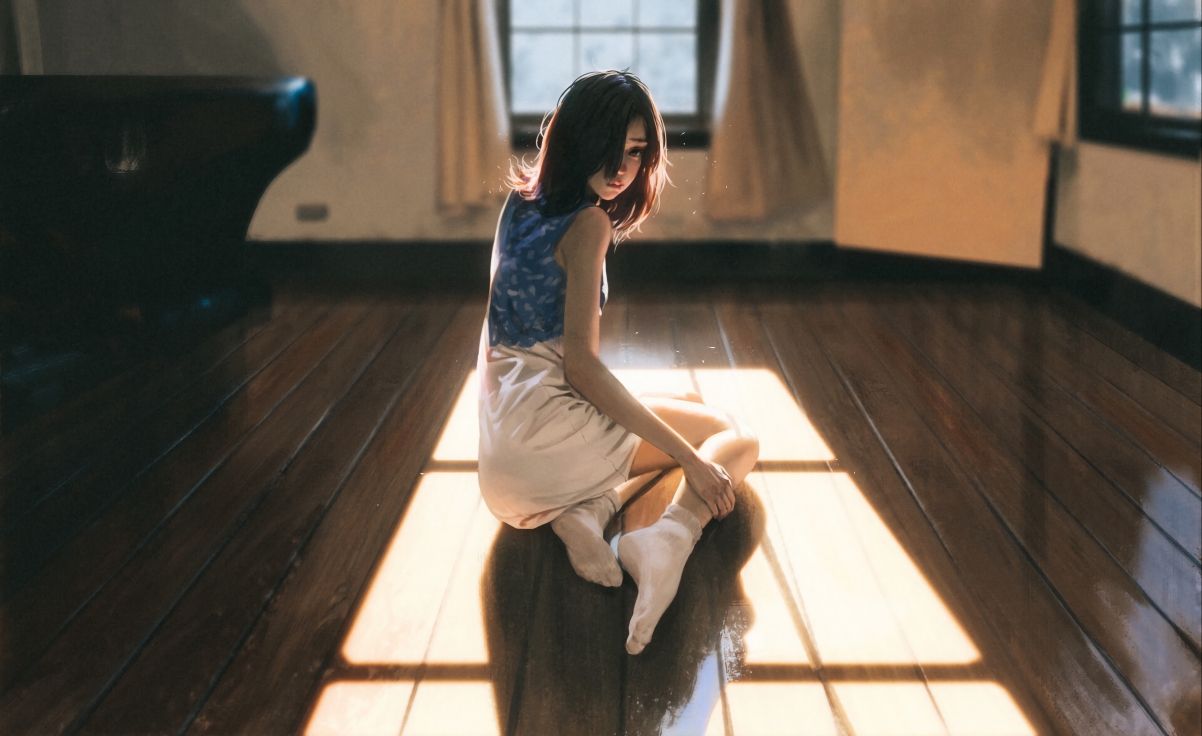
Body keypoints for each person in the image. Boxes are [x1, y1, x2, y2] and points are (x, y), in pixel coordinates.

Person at [477, 71, 759, 655]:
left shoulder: (518, 202)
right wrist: (690, 464)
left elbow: (526, 351)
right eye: (609, 148)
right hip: (544, 437)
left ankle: (577, 513)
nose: (622, 168)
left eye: (635, 152)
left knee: (689, 409)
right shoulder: (589, 224)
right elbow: (581, 368)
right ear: (575, 139)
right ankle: (667, 542)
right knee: (732, 438)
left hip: (500, 453)